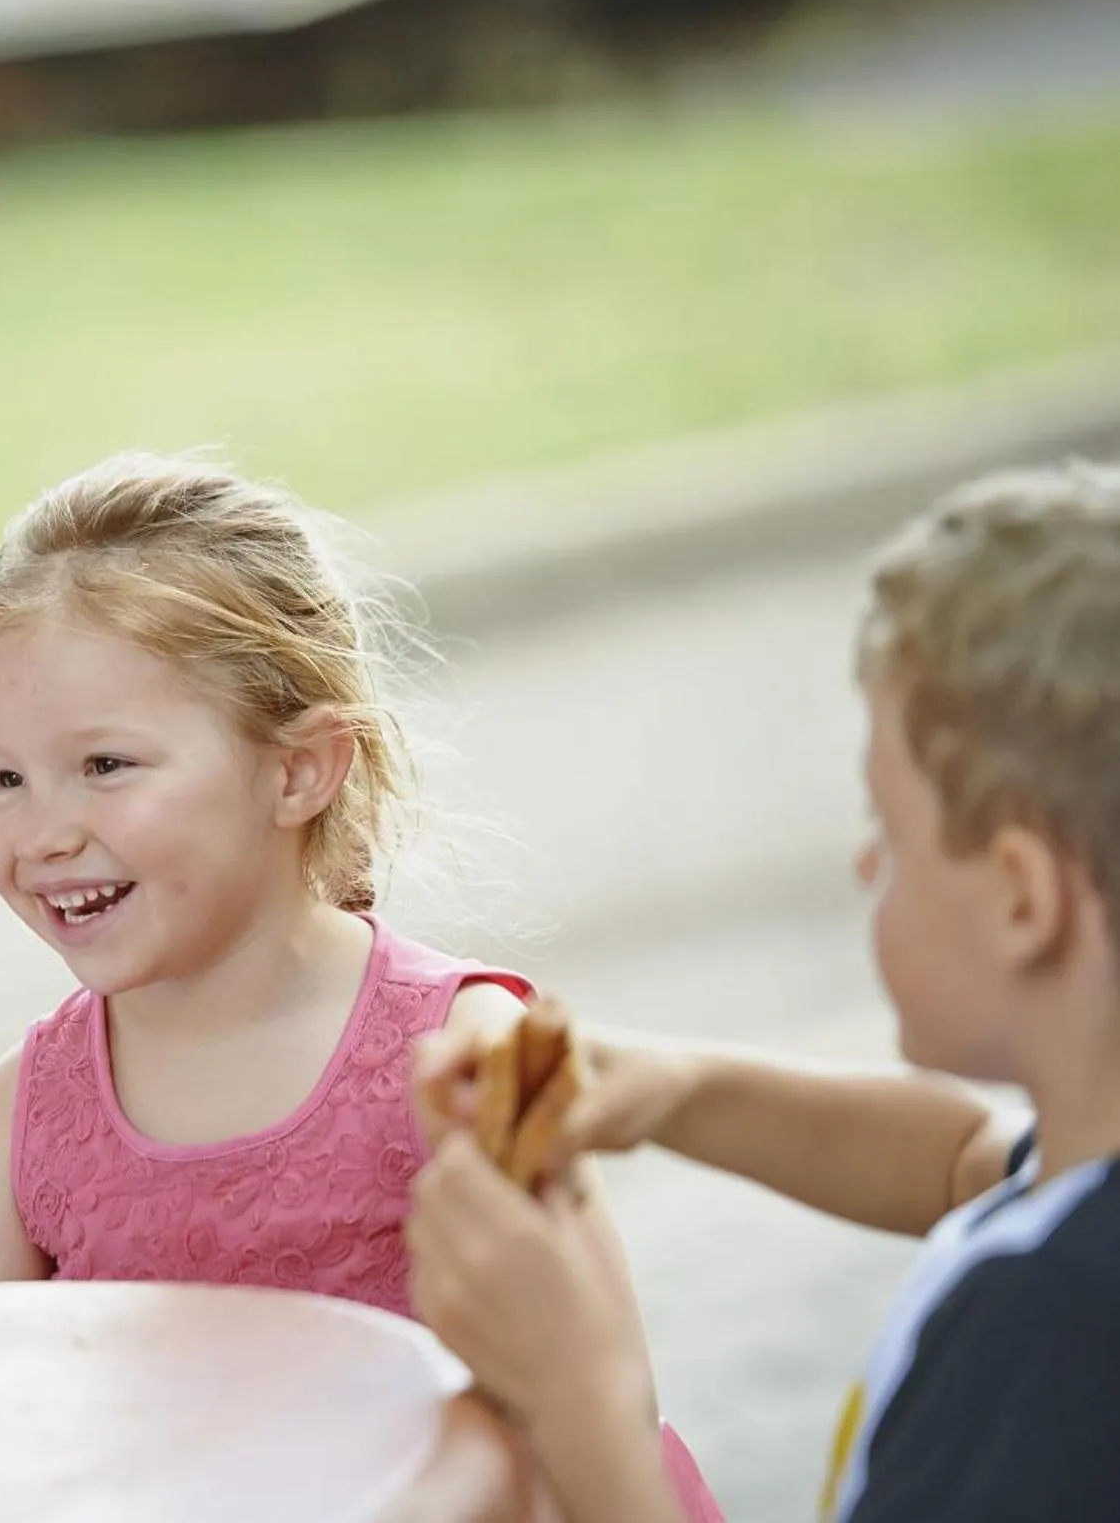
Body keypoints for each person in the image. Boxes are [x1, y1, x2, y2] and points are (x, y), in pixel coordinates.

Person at [0, 453, 718, 1516]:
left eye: (105, 766)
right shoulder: (8, 1139)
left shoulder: (459, 1062)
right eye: (2, 780)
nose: (46, 833)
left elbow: (597, 1427)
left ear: (296, 770)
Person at [406, 464, 1120, 1522]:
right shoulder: (1074, 1191)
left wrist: (574, 1400)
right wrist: (677, 1090)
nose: (864, 867)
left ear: (1020, 896)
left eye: (887, 827)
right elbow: (960, 1160)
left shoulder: (1050, 1331)